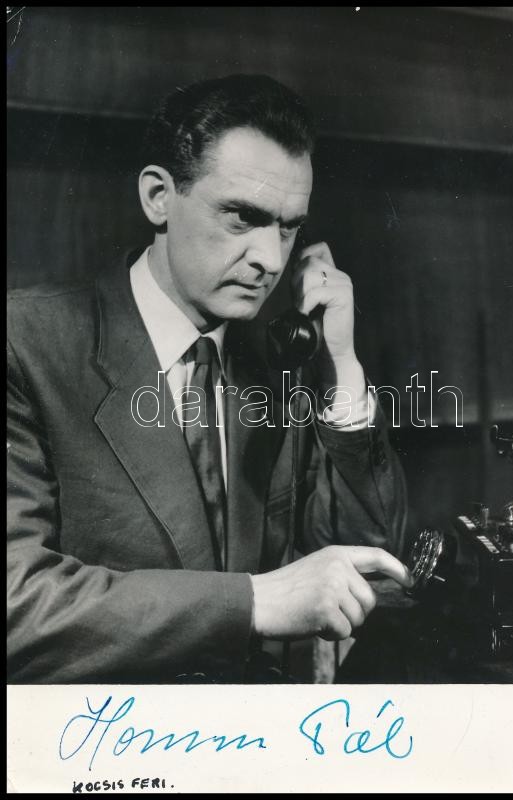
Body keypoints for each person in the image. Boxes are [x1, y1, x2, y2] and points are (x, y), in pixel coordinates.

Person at [7, 74, 411, 684]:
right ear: (158, 197)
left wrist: (341, 367)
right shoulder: (26, 343)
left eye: (288, 227)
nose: (270, 259)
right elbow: (17, 604)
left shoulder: (277, 366)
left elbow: (372, 564)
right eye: (243, 217)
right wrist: (253, 602)